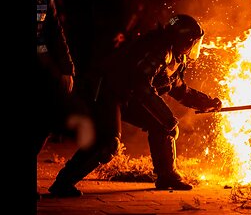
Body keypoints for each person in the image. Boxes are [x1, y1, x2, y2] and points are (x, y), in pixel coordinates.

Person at [48, 14, 222, 197]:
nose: (194, 47)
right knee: (109, 143)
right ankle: (63, 183)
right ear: (183, 40)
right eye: (193, 42)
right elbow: (141, 84)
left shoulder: (176, 55)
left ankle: (167, 176)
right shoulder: (158, 49)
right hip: (107, 92)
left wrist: (207, 102)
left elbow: (178, 89)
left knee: (163, 127)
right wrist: (167, 117)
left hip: (128, 95)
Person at [35, 0, 76, 199]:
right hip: (41, 66)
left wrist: (66, 68)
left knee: (41, 124)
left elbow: (54, 30)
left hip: (42, 69)